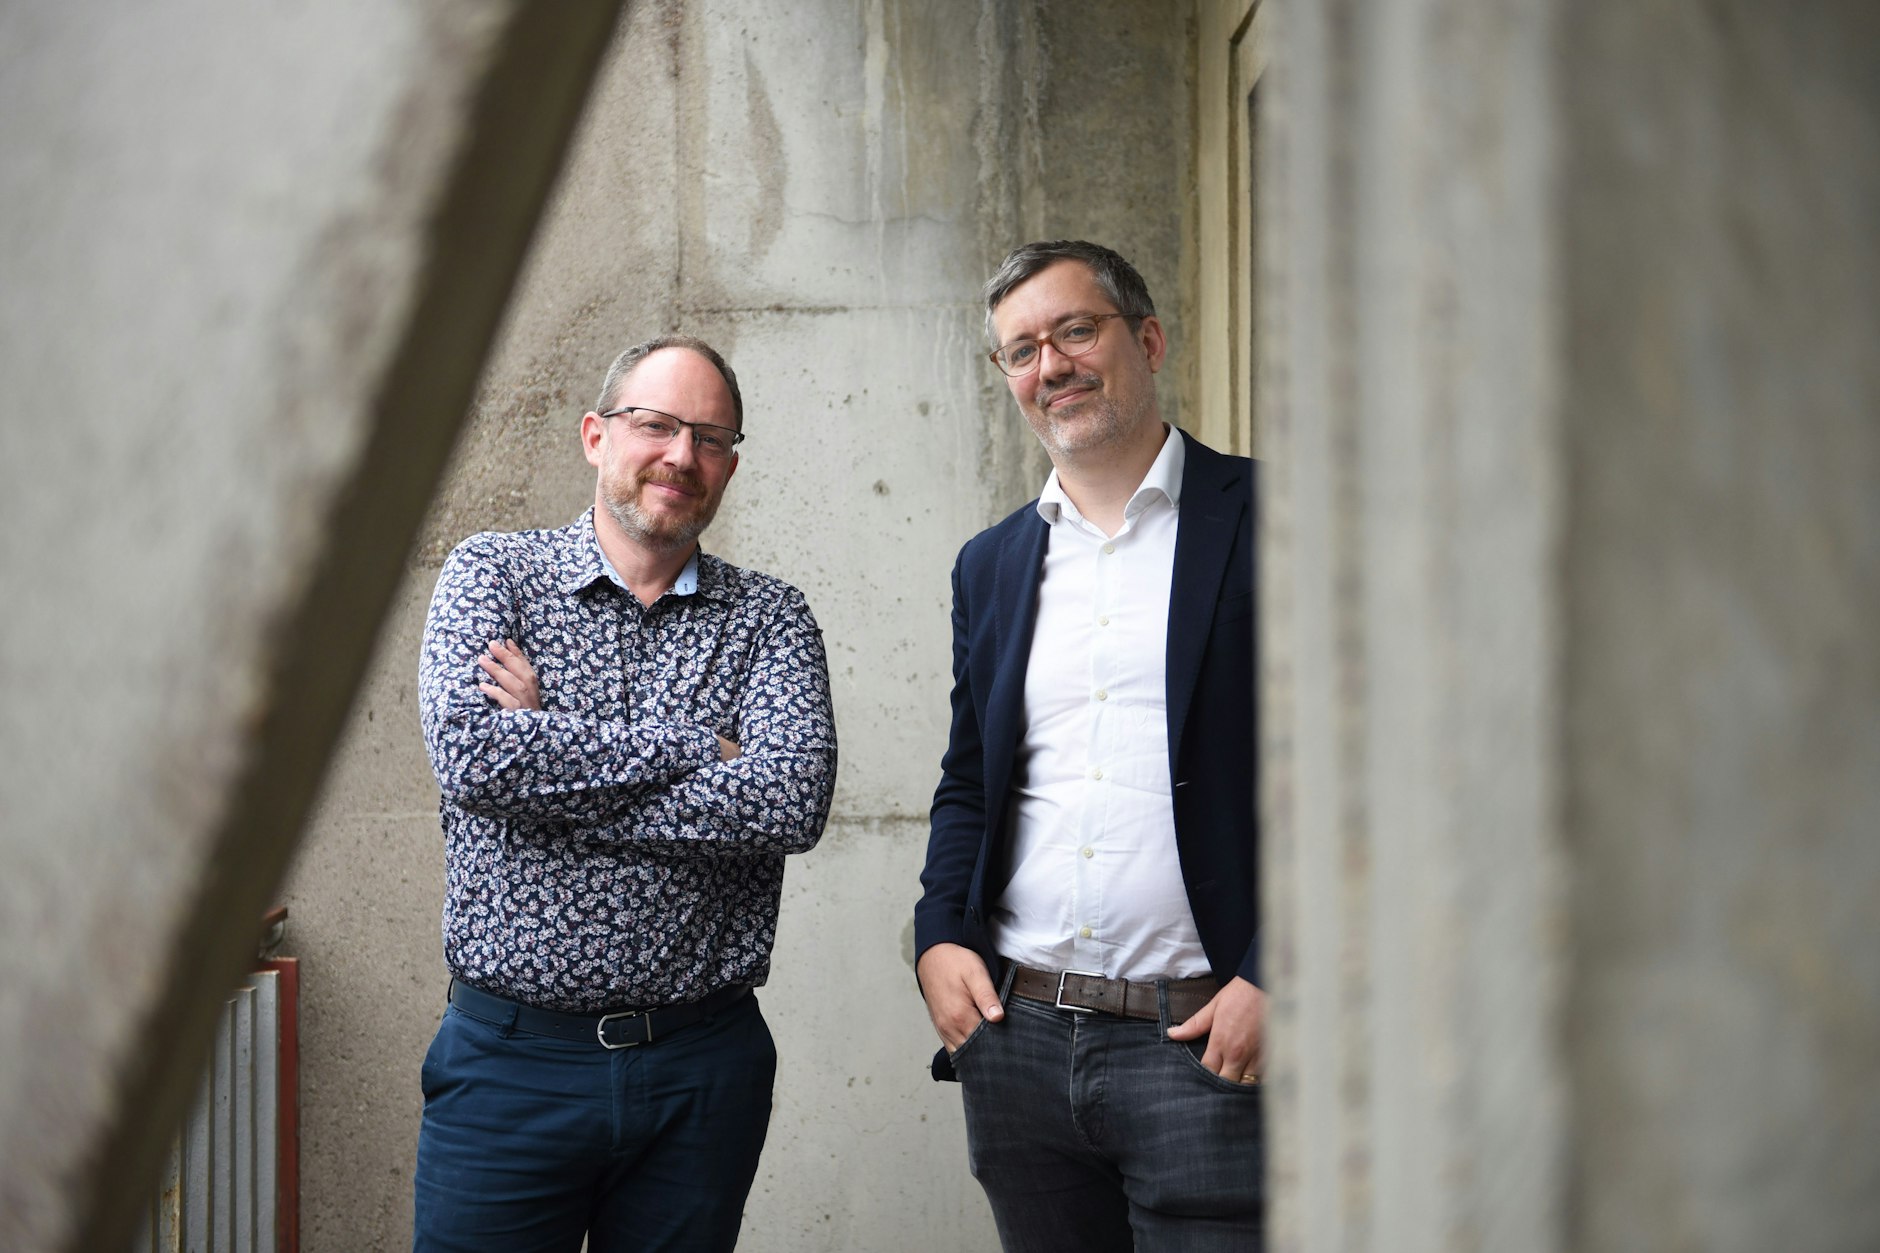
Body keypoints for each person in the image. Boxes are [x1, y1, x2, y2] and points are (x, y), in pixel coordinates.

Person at [413, 334, 837, 1253]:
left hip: (700, 1069)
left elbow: (788, 801)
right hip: (509, 1065)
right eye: (657, 425)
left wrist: (549, 747)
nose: (683, 455)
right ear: (596, 435)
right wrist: (699, 749)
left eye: (711, 437)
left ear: (728, 464)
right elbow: (476, 759)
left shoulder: (769, 618)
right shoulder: (495, 575)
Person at [914, 241, 1262, 1251]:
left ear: (1144, 338)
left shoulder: (1278, 520)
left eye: (1074, 330)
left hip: (1201, 1042)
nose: (1049, 365)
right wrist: (938, 934)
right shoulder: (990, 564)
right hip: (1019, 1042)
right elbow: (969, 780)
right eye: (1020, 350)